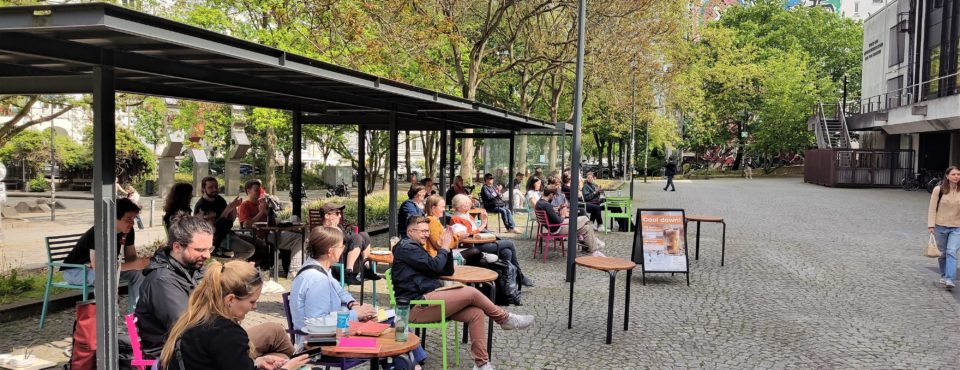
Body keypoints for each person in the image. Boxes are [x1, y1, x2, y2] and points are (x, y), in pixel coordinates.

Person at [136, 213, 296, 361]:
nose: (207, 255)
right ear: (177, 247)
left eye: (209, 249)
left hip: (208, 339)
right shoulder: (162, 281)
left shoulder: (192, 268)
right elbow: (188, 329)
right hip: (181, 354)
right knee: (274, 337)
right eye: (200, 250)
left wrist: (240, 279)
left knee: (278, 346)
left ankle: (299, 360)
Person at [392, 216, 534, 370]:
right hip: (416, 306)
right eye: (423, 231)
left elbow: (446, 270)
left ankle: (482, 364)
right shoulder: (407, 247)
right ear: (410, 231)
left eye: (428, 231)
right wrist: (444, 248)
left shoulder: (415, 247)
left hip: (432, 300)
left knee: (476, 313)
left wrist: (446, 247)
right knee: (472, 292)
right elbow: (434, 267)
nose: (427, 234)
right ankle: (505, 319)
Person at [158, 260, 309, 370]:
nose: (254, 307)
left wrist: (256, 362)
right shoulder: (226, 333)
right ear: (230, 299)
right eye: (252, 302)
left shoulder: (196, 319)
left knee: (280, 354)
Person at [60, 198, 148, 306]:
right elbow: (98, 267)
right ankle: (107, 318)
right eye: (128, 218)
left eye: (134, 218)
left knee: (139, 274)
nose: (132, 223)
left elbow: (131, 258)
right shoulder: (99, 232)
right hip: (76, 271)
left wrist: (144, 263)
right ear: (114, 217)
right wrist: (133, 264)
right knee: (106, 278)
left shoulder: (128, 231)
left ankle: (137, 317)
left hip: (102, 270)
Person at [450, 194, 533, 287]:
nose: (468, 206)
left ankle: (506, 281)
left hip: (481, 243)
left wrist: (482, 223)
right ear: (458, 207)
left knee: (507, 252)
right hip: (473, 246)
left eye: (468, 204)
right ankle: (519, 275)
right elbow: (468, 234)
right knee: (510, 243)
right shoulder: (456, 218)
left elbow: (477, 231)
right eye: (465, 205)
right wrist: (483, 224)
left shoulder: (467, 215)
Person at [238, 179, 303, 277]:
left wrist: (267, 211)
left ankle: (294, 269)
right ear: (248, 191)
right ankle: (290, 270)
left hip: (273, 233)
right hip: (260, 236)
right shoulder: (245, 205)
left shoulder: (262, 204)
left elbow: (273, 221)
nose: (259, 193)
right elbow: (246, 224)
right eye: (256, 190)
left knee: (300, 238)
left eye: (260, 190)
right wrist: (261, 212)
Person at [194, 176, 257, 260]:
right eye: (210, 187)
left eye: (216, 187)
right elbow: (214, 230)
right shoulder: (201, 206)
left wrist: (234, 208)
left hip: (228, 233)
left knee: (260, 244)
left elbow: (230, 220)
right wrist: (227, 210)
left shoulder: (219, 199)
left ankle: (260, 269)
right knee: (249, 250)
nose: (214, 189)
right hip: (216, 240)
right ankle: (227, 265)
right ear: (203, 189)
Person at [318, 202, 380, 285]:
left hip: (344, 260)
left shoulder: (339, 227)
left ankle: (365, 267)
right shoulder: (322, 231)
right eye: (337, 213)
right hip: (336, 266)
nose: (340, 216)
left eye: (340, 213)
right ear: (326, 216)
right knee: (356, 238)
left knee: (364, 235)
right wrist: (334, 232)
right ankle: (348, 272)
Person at [536, 184, 605, 256]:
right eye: (554, 196)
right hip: (559, 228)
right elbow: (559, 220)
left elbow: (550, 213)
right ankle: (595, 242)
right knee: (585, 218)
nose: (554, 197)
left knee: (587, 228)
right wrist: (563, 214)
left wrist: (558, 209)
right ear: (550, 195)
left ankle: (592, 250)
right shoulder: (547, 205)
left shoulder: (539, 203)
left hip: (553, 228)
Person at [930, 166, 960, 289]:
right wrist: (931, 225)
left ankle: (950, 279)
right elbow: (932, 208)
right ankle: (943, 275)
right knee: (942, 254)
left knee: (951, 252)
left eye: (958, 174)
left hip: (957, 227)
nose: (956, 176)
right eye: (953, 174)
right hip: (940, 226)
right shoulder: (939, 190)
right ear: (947, 176)